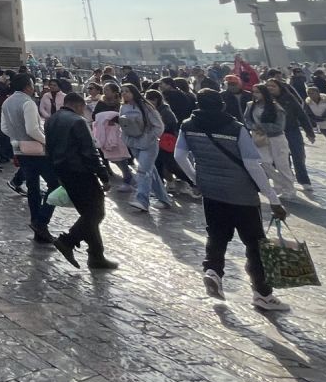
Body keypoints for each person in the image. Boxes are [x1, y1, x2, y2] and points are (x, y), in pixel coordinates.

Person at [175, 90, 290, 313]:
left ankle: (213, 271)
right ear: (221, 105)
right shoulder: (235, 128)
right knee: (255, 244)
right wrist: (273, 198)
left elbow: (179, 156)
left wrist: (196, 179)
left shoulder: (188, 125)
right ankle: (262, 294)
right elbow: (252, 165)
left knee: (216, 235)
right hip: (242, 194)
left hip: (211, 190)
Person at [46, 91, 117, 270]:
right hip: (80, 172)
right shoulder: (77, 121)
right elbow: (89, 152)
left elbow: (49, 148)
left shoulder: (52, 119)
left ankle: (96, 255)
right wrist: (103, 175)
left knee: (88, 215)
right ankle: (68, 241)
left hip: (63, 171)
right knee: (95, 213)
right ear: (79, 105)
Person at [1, 73, 54, 245]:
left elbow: (4, 127)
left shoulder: (7, 102)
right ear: (27, 86)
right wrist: (49, 142)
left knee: (33, 187)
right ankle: (41, 222)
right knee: (56, 186)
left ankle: (36, 223)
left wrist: (17, 138)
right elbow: (32, 129)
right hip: (37, 150)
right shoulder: (28, 103)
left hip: (19, 149)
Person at [119, 84, 171, 213]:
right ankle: (164, 199)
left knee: (143, 171)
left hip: (148, 144)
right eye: (123, 92)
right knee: (150, 171)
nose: (125, 94)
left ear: (134, 92)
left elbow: (159, 126)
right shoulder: (123, 107)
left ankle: (142, 200)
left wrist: (149, 137)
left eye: (127, 91)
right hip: (133, 143)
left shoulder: (146, 106)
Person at [242, 79, 295, 199]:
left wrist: (264, 127)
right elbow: (247, 119)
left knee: (282, 165)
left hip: (276, 138)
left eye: (258, 92)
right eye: (254, 92)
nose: (255, 94)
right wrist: (254, 127)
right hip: (260, 138)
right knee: (264, 162)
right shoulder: (250, 105)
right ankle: (281, 184)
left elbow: (280, 125)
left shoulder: (275, 106)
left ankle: (289, 189)